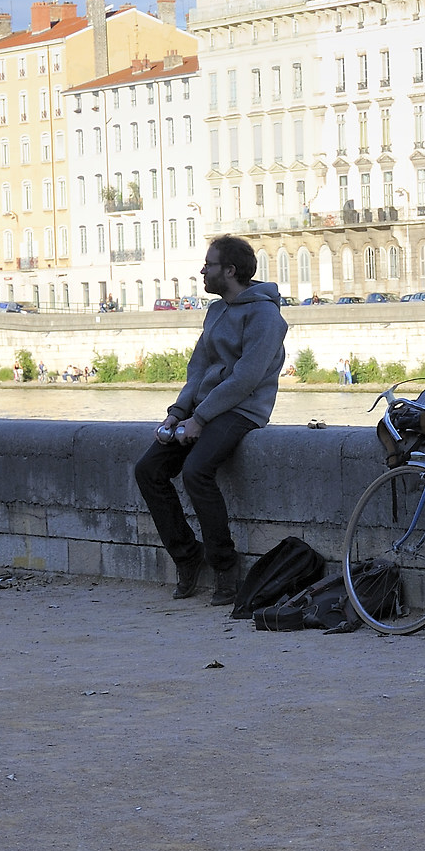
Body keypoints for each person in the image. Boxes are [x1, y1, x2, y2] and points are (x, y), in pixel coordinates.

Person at [134, 237, 286, 605]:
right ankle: (188, 556)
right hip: (204, 408)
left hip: (241, 410)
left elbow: (245, 379)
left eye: (209, 265)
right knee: (148, 470)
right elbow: (199, 369)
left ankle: (224, 566)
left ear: (230, 271)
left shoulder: (265, 315)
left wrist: (199, 418)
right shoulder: (216, 311)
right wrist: (177, 412)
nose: (202, 271)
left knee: (196, 472)